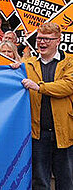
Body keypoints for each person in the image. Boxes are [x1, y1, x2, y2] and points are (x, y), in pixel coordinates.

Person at [18, 22, 73, 189]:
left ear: (58, 41)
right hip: (38, 134)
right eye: (39, 38)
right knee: (40, 180)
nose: (42, 42)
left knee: (66, 179)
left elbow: (68, 85)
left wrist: (39, 87)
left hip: (63, 131)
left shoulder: (69, 62)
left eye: (47, 39)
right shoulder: (27, 64)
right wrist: (12, 70)